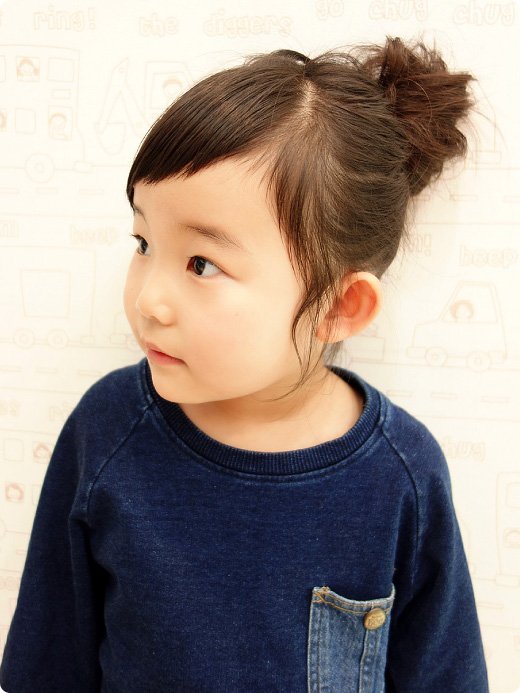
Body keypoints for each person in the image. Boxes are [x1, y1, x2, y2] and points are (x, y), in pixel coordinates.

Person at [0, 37, 488, 692]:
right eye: (143, 242)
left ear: (339, 307)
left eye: (202, 263)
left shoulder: (401, 475)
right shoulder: (108, 429)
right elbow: (47, 667)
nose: (148, 299)